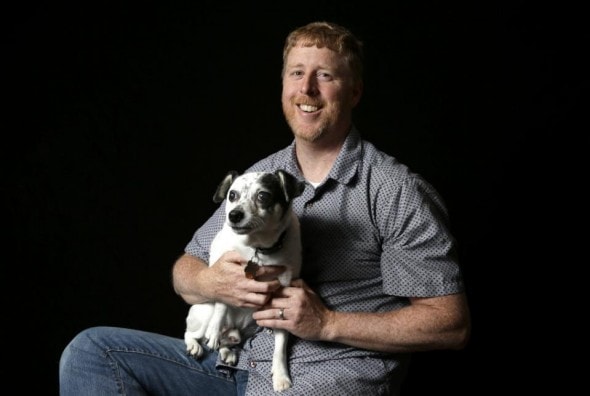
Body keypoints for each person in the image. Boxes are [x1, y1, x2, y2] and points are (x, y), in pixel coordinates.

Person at [59, 21, 471, 395]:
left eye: (324, 76)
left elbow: (450, 323)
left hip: (329, 377)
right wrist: (212, 282)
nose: (307, 89)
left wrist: (328, 322)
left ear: (355, 91)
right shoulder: (261, 176)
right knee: (92, 352)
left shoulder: (393, 189)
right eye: (296, 73)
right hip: (240, 369)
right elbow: (185, 272)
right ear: (283, 86)